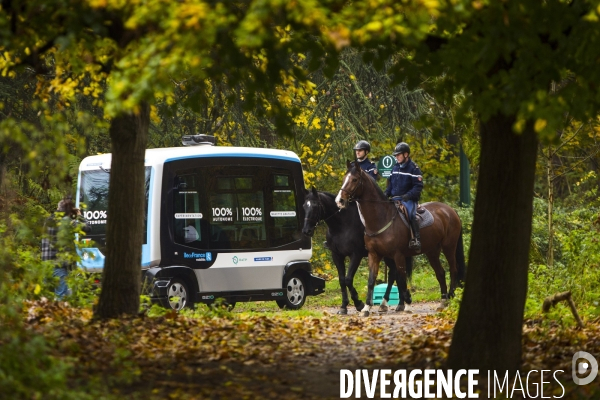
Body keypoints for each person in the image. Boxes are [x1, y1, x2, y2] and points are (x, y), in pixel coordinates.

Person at [41, 196, 91, 300]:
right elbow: (87, 227)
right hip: (58, 266)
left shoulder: (48, 220)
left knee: (46, 299)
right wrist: (79, 215)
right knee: (61, 298)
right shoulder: (66, 221)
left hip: (46, 265)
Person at [384, 142, 423, 252]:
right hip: (394, 199)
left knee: (410, 214)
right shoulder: (395, 167)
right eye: (395, 155)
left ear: (406, 154)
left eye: (398, 155)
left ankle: (416, 239)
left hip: (408, 200)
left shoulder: (414, 168)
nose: (396, 157)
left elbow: (418, 186)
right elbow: (390, 184)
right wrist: (386, 193)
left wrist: (408, 195)